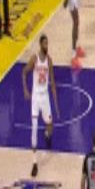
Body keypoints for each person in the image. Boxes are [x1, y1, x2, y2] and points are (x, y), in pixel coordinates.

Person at [22, 34, 59, 177]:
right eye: (44, 44)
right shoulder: (34, 58)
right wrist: (26, 90)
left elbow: (53, 82)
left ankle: (46, 135)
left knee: (50, 126)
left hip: (45, 97)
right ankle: (34, 163)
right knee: (34, 128)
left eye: (47, 43)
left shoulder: (49, 60)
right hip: (36, 98)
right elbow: (24, 72)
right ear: (40, 45)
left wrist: (56, 104)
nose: (46, 46)